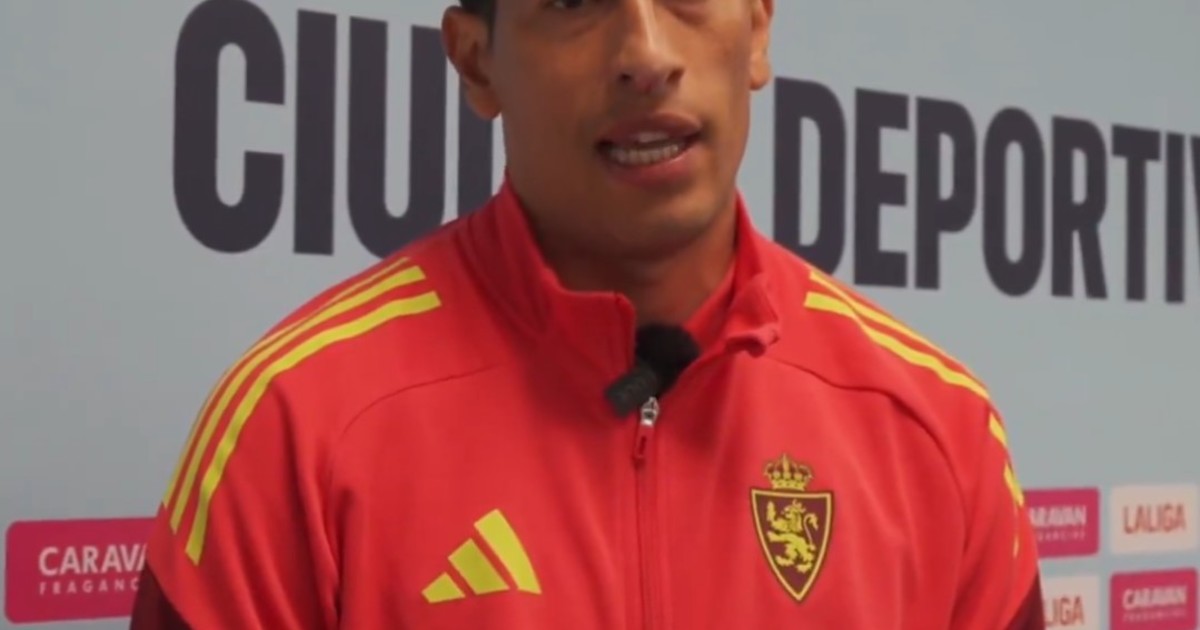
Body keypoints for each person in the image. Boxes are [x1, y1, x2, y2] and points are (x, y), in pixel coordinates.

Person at [132, 0, 1045, 628]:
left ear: (759, 27)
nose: (646, 52)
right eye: (574, 1)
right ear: (476, 62)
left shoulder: (939, 428)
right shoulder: (297, 425)